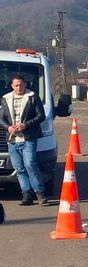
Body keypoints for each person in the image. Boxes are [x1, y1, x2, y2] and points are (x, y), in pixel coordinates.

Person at [0, 75, 46, 206]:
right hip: (12, 140)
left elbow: (40, 116)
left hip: (29, 138)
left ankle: (40, 194)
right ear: (12, 86)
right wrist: (8, 127)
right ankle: (27, 195)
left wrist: (26, 125)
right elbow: (1, 119)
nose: (19, 87)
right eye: (16, 85)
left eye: (21, 85)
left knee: (30, 164)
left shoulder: (32, 97)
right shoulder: (5, 99)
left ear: (25, 84)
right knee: (19, 168)